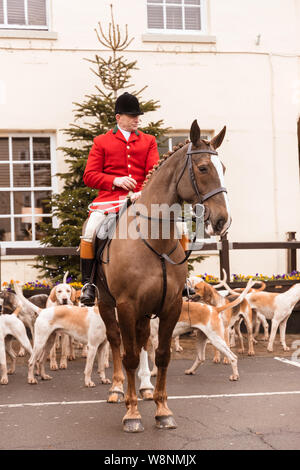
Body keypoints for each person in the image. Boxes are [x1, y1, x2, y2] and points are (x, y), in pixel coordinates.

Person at [80, 92, 160, 306]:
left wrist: (143, 190)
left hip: (143, 199)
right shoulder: (101, 142)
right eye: (131, 115)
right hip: (110, 200)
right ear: (118, 117)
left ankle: (182, 280)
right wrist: (115, 181)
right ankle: (89, 284)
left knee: (178, 227)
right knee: (90, 231)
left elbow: (155, 171)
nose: (137, 119)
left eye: (137, 116)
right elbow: (89, 176)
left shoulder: (148, 141)